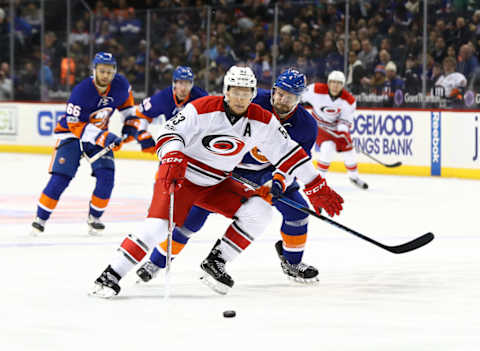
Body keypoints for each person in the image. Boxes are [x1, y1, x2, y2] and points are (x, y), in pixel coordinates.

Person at [90, 65, 344, 298]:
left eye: (246, 93)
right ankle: (110, 275)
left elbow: (290, 153)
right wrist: (172, 157)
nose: (241, 98)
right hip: (182, 178)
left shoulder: (262, 119)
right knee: (158, 227)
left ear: (254, 93)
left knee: (261, 211)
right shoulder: (202, 108)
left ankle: (216, 261)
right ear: (226, 90)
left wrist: (315, 184)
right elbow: (169, 133)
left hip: (218, 181)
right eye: (236, 91)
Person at [136, 69, 321, 286]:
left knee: (298, 212)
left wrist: (279, 181)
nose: (282, 99)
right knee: (191, 219)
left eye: (289, 96)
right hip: (228, 169)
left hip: (270, 175)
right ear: (273, 90)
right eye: (279, 93)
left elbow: (296, 163)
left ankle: (292, 262)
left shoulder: (307, 126)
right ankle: (157, 262)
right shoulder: (254, 100)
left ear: (299, 99)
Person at [31, 52, 153, 236]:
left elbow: (128, 110)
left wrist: (129, 128)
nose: (105, 75)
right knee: (61, 178)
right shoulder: (81, 91)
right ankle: (40, 218)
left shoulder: (121, 86)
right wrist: (103, 137)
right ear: (94, 70)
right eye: (102, 71)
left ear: (115, 72)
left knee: (107, 177)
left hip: (98, 137)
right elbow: (75, 125)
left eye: (109, 72)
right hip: (71, 135)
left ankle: (95, 218)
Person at [302, 70, 368, 190]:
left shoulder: (349, 100)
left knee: (349, 152)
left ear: (342, 85)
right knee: (328, 148)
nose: (335, 85)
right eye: (333, 82)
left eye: (338, 83)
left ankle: (354, 177)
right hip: (319, 126)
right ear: (328, 82)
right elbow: (300, 96)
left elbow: (345, 120)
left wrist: (342, 132)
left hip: (336, 129)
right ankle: (318, 181)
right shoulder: (316, 89)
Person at [133, 66, 207, 133]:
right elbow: (141, 112)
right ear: (174, 83)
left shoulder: (201, 97)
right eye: (180, 83)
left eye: (187, 83)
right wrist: (142, 133)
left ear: (192, 85)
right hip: (173, 136)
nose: (183, 88)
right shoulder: (164, 97)